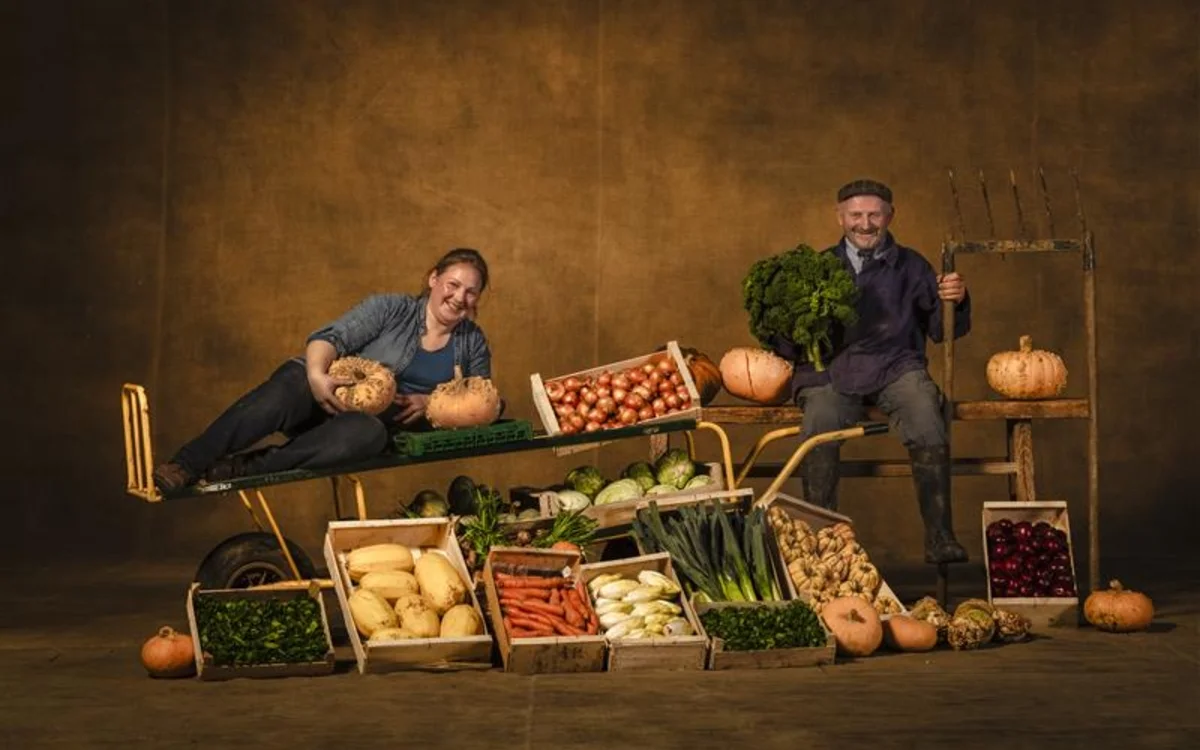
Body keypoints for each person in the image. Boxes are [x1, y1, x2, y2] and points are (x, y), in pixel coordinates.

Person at [152, 248, 494, 491]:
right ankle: (186, 464)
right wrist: (317, 376)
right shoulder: (390, 308)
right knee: (293, 382)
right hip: (320, 398)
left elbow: (481, 405)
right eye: (453, 284)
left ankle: (240, 469)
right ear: (434, 279)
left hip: (356, 430)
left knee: (369, 433)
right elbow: (329, 338)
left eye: (471, 292)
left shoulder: (472, 342)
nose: (460, 297)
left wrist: (431, 404)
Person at [768, 180, 972, 564]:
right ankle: (819, 539)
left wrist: (956, 301)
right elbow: (790, 344)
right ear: (840, 216)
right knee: (820, 421)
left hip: (897, 365)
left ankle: (940, 535)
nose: (865, 224)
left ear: (890, 215)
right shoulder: (818, 267)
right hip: (832, 371)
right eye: (856, 215)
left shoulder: (913, 267)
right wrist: (781, 326)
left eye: (874, 214)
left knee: (926, 411)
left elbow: (942, 332)